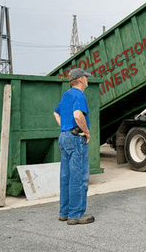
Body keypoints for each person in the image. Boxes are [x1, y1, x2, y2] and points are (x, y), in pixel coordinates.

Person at [53, 68, 94, 225]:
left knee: (66, 176)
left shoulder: (66, 95)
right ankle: (76, 214)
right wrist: (86, 132)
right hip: (76, 139)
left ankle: (64, 212)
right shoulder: (79, 95)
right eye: (86, 77)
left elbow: (56, 113)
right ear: (80, 80)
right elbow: (78, 115)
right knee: (79, 176)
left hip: (64, 137)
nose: (87, 80)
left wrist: (65, 128)